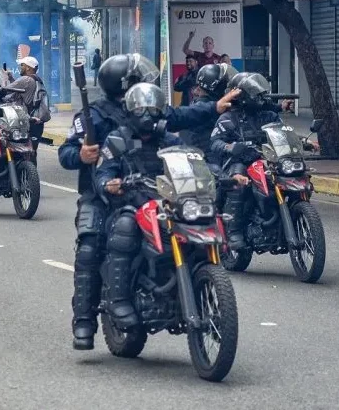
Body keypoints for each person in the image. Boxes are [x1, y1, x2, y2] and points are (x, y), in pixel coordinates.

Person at [58, 53, 238, 351]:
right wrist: (80, 156)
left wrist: (214, 110)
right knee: (91, 247)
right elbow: (68, 153)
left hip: (151, 193)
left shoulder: (152, 112)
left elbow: (181, 119)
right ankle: (86, 321)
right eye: (138, 77)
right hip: (102, 194)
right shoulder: (96, 116)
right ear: (123, 85)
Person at [95, 83, 183, 330]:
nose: (148, 115)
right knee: (125, 226)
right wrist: (108, 183)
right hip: (130, 205)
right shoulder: (117, 140)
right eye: (142, 110)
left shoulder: (169, 140)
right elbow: (103, 172)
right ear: (130, 111)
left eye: (153, 110)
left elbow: (193, 162)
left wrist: (217, 174)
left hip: (168, 205)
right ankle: (119, 299)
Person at [208, 73, 312, 251]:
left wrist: (303, 142)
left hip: (268, 158)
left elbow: (283, 133)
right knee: (239, 184)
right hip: (240, 161)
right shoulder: (228, 118)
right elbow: (215, 142)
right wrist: (230, 147)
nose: (260, 98)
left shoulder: (269, 116)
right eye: (256, 94)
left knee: (298, 175)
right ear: (243, 96)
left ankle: (293, 217)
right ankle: (234, 232)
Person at [5, 56, 50, 159]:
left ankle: (27, 173)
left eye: (22, 65)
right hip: (38, 122)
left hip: (29, 121)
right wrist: (10, 77)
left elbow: (6, 90)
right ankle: (31, 173)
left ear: (28, 68)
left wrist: (2, 81)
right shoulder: (36, 79)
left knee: (23, 152)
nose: (20, 67)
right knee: (32, 152)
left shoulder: (25, 79)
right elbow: (20, 88)